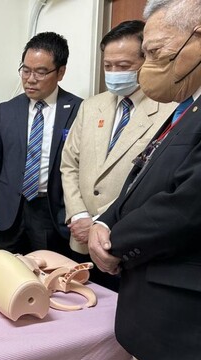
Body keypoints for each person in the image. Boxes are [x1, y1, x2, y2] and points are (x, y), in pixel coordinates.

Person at [88, 0, 201, 360]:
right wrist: (103, 222)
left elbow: (186, 206)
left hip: (181, 319)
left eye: (155, 53)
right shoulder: (185, 108)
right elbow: (141, 179)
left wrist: (113, 242)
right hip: (149, 311)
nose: (147, 66)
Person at [60, 20, 176, 291]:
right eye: (108, 66)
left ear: (146, 60)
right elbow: (69, 164)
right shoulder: (91, 106)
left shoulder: (169, 110)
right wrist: (78, 216)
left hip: (123, 241)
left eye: (123, 67)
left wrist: (101, 221)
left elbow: (154, 181)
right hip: (80, 236)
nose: (114, 73)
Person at [0, 32, 82, 256]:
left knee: (48, 275)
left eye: (41, 72)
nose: (30, 78)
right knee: (8, 273)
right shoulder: (7, 110)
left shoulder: (78, 109)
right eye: (25, 70)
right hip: (10, 211)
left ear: (61, 72)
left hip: (50, 211)